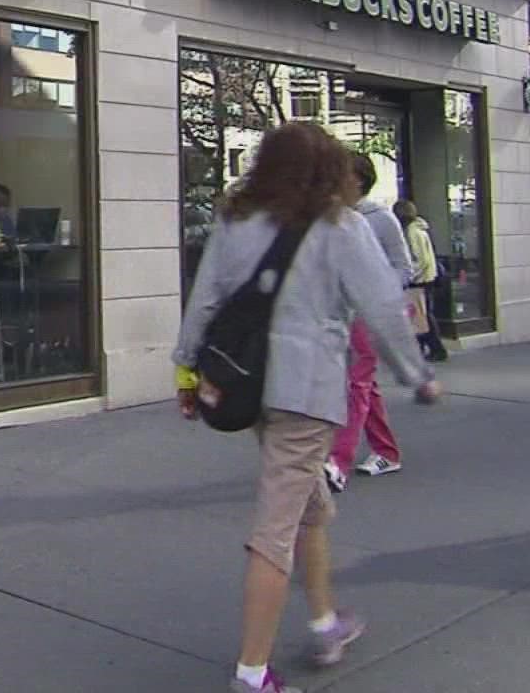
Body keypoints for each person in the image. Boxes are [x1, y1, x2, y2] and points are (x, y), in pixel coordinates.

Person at [175, 123, 441, 691]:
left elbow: (206, 299)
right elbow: (384, 307)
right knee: (277, 526)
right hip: (307, 389)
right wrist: (417, 375)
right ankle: (252, 675)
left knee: (309, 505)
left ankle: (325, 623)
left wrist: (187, 369)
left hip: (248, 383)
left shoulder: (235, 220)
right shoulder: (340, 225)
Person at [326, 153, 413, 491]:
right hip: (340, 313)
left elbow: (404, 266)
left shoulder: (380, 219)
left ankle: (338, 461)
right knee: (365, 385)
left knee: (356, 384)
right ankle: (386, 452)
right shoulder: (334, 217)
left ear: (357, 180)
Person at [396, 200, 447, 362]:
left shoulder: (412, 232)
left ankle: (434, 348)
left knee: (421, 317)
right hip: (426, 278)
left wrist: (409, 277)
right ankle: (429, 348)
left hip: (419, 281)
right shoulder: (419, 229)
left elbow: (418, 260)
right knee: (422, 316)